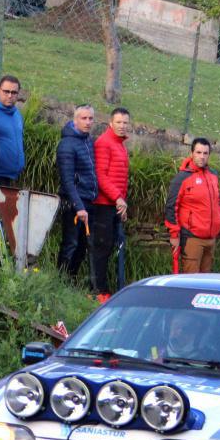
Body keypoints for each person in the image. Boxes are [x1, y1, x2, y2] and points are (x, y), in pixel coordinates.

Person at [90, 108, 131, 300]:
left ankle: (105, 290)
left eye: (125, 123)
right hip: (102, 204)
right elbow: (100, 176)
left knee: (109, 248)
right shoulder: (104, 143)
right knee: (101, 247)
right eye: (119, 122)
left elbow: (121, 178)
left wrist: (121, 204)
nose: (122, 126)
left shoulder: (120, 145)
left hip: (113, 204)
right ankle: (99, 291)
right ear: (110, 123)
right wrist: (118, 198)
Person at [165, 137, 220, 274]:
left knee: (205, 283)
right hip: (192, 238)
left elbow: (217, 202)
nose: (202, 156)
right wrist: (174, 234)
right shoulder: (182, 178)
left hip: (211, 238)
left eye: (205, 153)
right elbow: (171, 206)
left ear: (209, 155)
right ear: (192, 153)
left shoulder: (213, 176)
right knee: (190, 282)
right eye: (198, 152)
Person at [55, 104, 97, 277]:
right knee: (70, 244)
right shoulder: (67, 144)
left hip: (88, 199)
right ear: (75, 120)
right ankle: (60, 281)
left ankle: (70, 281)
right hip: (73, 201)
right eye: (83, 118)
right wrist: (79, 206)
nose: (87, 122)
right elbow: (67, 180)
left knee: (82, 245)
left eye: (90, 118)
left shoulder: (88, 141)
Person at [0, 74, 24, 189]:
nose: (10, 95)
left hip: (12, 176)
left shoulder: (17, 114)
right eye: (6, 91)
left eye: (14, 92)